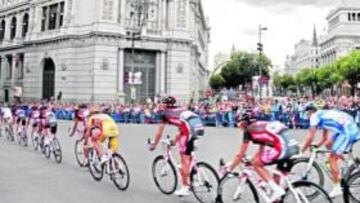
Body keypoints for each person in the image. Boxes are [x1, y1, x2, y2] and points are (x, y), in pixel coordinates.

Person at [225, 113, 299, 202]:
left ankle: (277, 190)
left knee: (257, 164)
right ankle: (277, 195)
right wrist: (252, 160)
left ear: (244, 124)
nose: (239, 128)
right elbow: (261, 149)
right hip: (293, 146)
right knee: (274, 173)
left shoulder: (248, 130)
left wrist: (229, 169)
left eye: (239, 125)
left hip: (283, 148)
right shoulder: (259, 125)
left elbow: (240, 155)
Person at [149, 96, 205, 197]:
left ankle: (185, 187)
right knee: (188, 154)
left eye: (161, 103)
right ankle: (193, 172)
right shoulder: (179, 109)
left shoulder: (165, 114)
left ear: (166, 105)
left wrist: (154, 144)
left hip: (190, 132)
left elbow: (159, 133)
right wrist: (174, 142)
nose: (160, 105)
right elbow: (181, 129)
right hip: (198, 127)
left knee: (184, 159)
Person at [302, 103, 360, 198]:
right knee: (328, 145)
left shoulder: (314, 116)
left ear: (311, 112)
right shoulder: (322, 114)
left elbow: (310, 137)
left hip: (348, 130)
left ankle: (337, 187)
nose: (306, 116)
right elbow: (324, 139)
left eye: (306, 114)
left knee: (331, 158)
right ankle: (348, 162)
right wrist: (316, 146)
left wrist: (302, 151)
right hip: (346, 127)